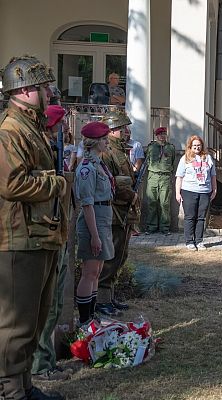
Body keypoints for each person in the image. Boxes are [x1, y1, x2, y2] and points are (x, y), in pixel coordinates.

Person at [0, 55, 68, 400]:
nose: (49, 93)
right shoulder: (11, 129)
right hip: (18, 239)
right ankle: (11, 390)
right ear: (24, 90)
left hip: (38, 236)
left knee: (36, 317)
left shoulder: (31, 126)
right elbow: (12, 184)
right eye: (43, 87)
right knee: (16, 323)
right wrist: (57, 183)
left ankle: (25, 384)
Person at [31, 105, 74, 382]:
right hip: (44, 231)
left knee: (54, 303)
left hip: (58, 231)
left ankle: (46, 360)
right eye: (63, 124)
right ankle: (40, 365)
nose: (66, 129)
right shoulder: (42, 151)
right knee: (44, 307)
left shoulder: (55, 150)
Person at [97, 110, 139, 316]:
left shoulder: (118, 150)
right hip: (114, 212)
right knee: (111, 256)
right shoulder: (107, 152)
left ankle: (109, 297)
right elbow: (110, 182)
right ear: (112, 130)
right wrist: (130, 194)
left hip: (123, 211)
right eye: (123, 128)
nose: (127, 131)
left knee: (120, 255)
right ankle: (102, 300)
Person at [74, 122, 115, 324]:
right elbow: (87, 204)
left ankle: (91, 315)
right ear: (95, 142)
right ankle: (84, 319)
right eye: (105, 139)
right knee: (89, 272)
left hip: (103, 217)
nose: (108, 142)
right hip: (93, 221)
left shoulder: (99, 163)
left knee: (96, 271)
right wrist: (95, 236)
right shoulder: (87, 168)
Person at [175, 135, 217, 250]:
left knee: (201, 217)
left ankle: (199, 241)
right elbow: (179, 177)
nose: (197, 147)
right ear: (190, 146)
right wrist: (177, 193)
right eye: (194, 145)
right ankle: (189, 241)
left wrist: (214, 189)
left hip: (205, 191)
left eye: (199, 145)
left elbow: (213, 175)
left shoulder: (208, 158)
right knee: (190, 217)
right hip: (189, 191)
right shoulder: (185, 159)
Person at [146, 127, 176, 235]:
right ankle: (151, 227)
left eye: (164, 134)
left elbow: (172, 162)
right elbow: (148, 161)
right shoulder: (151, 147)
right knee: (151, 202)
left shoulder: (171, 148)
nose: (162, 136)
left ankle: (165, 227)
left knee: (165, 203)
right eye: (160, 134)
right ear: (156, 135)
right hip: (153, 176)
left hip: (165, 177)